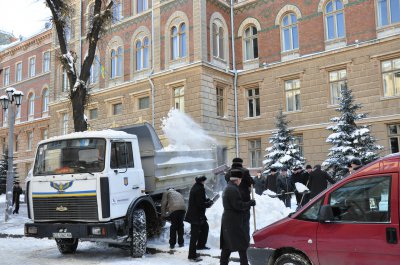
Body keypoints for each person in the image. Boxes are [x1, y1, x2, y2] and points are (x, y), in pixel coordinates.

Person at [220, 169, 256, 265]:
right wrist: (250, 203)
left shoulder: (229, 187)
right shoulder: (232, 189)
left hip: (230, 221)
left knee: (228, 246)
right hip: (233, 222)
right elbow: (238, 205)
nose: (241, 181)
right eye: (240, 179)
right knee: (242, 245)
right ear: (237, 179)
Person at [185, 176, 213, 262]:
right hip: (196, 215)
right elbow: (200, 204)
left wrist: (207, 200)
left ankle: (201, 245)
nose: (205, 182)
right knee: (194, 236)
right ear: (202, 181)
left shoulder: (197, 186)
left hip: (198, 214)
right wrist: (209, 204)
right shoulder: (199, 189)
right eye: (205, 181)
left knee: (205, 227)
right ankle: (192, 255)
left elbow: (200, 199)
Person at [224, 158, 254, 238]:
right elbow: (251, 182)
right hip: (244, 200)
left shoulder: (228, 172)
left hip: (231, 200)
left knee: (235, 222)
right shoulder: (245, 171)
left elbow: (227, 180)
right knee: (244, 223)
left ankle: (235, 239)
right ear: (241, 163)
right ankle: (245, 239)